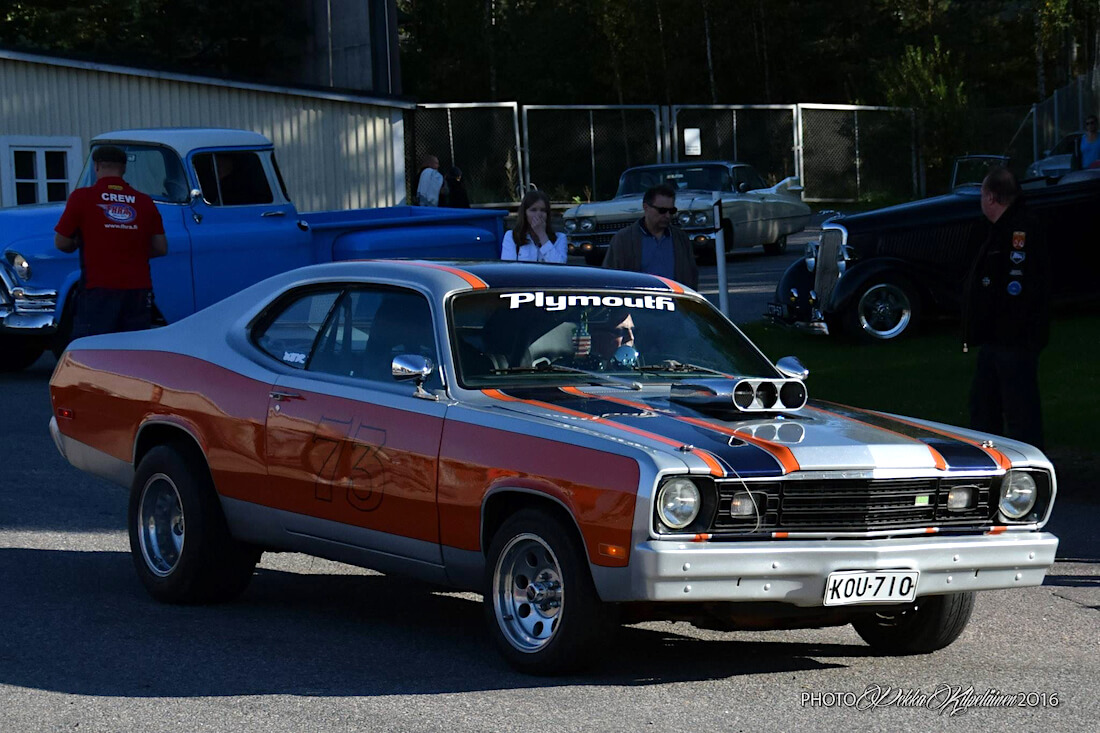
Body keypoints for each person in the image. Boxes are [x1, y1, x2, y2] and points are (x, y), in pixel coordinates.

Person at [962, 166, 1050, 449]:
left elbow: (1018, 290)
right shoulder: (996, 231)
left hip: (1013, 340)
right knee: (983, 406)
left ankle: (1027, 468)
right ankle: (990, 462)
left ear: (991, 197)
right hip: (995, 340)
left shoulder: (1018, 233)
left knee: (1020, 411)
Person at [54, 145, 168, 339]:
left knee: (96, 349)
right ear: (123, 168)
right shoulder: (144, 202)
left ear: (96, 166)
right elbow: (161, 247)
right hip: (138, 291)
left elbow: (61, 242)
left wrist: (80, 243)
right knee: (133, 348)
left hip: (98, 290)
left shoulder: (82, 198)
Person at [602, 184, 698, 289]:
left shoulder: (680, 239)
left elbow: (691, 277)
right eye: (662, 211)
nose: (667, 215)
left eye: (671, 211)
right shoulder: (624, 239)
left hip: (673, 301)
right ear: (646, 207)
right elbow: (610, 278)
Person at [500, 190, 567, 263]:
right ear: (525, 213)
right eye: (533, 210)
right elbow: (509, 269)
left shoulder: (560, 238)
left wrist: (542, 236)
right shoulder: (512, 237)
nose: (539, 214)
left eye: (543, 210)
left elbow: (560, 267)